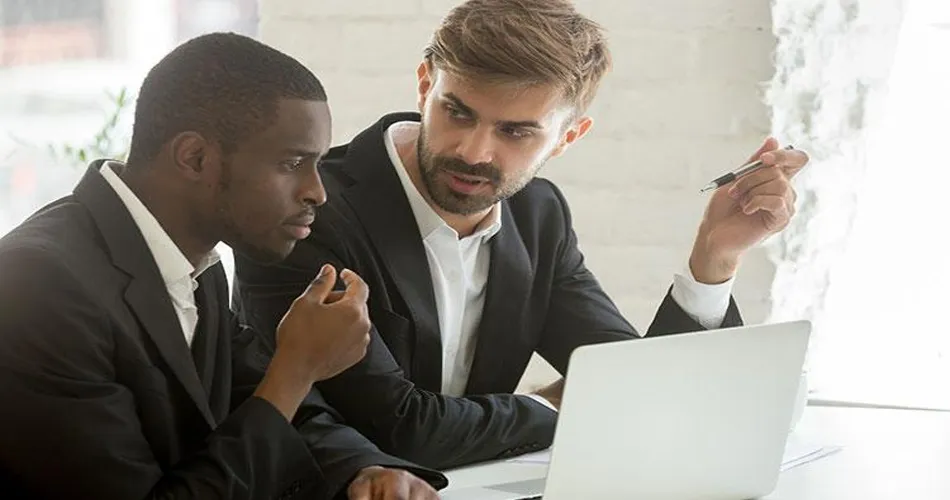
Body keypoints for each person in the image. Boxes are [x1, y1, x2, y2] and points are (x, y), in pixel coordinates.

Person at [233, 0, 809, 468]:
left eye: (516, 132)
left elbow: (636, 388)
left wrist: (714, 256)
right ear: (424, 84)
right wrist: (555, 404)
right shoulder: (314, 212)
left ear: (567, 136)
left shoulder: (538, 215)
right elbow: (401, 431)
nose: (474, 151)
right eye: (457, 112)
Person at [0, 33, 443, 500]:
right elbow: (275, 394)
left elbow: (255, 396)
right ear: (195, 158)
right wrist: (298, 368)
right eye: (294, 162)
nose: (318, 191)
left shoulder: (193, 260)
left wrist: (363, 469)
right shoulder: (38, 286)